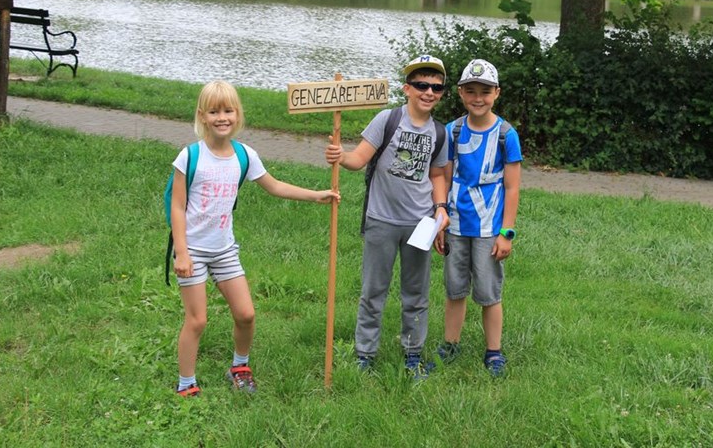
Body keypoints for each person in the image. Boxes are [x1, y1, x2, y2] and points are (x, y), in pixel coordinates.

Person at [170, 80, 339, 397]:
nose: (222, 118)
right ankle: (186, 383)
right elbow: (177, 207)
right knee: (197, 320)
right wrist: (181, 252)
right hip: (192, 250)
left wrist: (315, 195)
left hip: (224, 250)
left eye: (228, 111)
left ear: (238, 114)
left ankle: (239, 367)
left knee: (246, 314)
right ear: (202, 116)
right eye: (214, 112)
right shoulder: (190, 156)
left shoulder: (244, 155)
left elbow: (274, 186)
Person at [324, 55, 450, 379]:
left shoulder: (439, 132)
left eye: (436, 87)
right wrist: (341, 156)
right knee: (373, 291)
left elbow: (437, 175)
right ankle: (365, 355)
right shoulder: (388, 119)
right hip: (381, 219)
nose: (429, 92)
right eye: (421, 85)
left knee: (416, 294)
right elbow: (358, 159)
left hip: (420, 224)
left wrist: (441, 207)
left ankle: (412, 354)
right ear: (407, 88)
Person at [434, 59, 522, 377]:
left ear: (496, 93)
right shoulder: (452, 131)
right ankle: (450, 344)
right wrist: (440, 221)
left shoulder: (506, 135)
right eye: (470, 91)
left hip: (488, 229)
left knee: (488, 293)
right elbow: (444, 178)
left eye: (485, 91)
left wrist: (506, 232)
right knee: (455, 289)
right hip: (456, 225)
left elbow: (512, 187)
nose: (478, 98)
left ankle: (493, 351)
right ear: (460, 93)